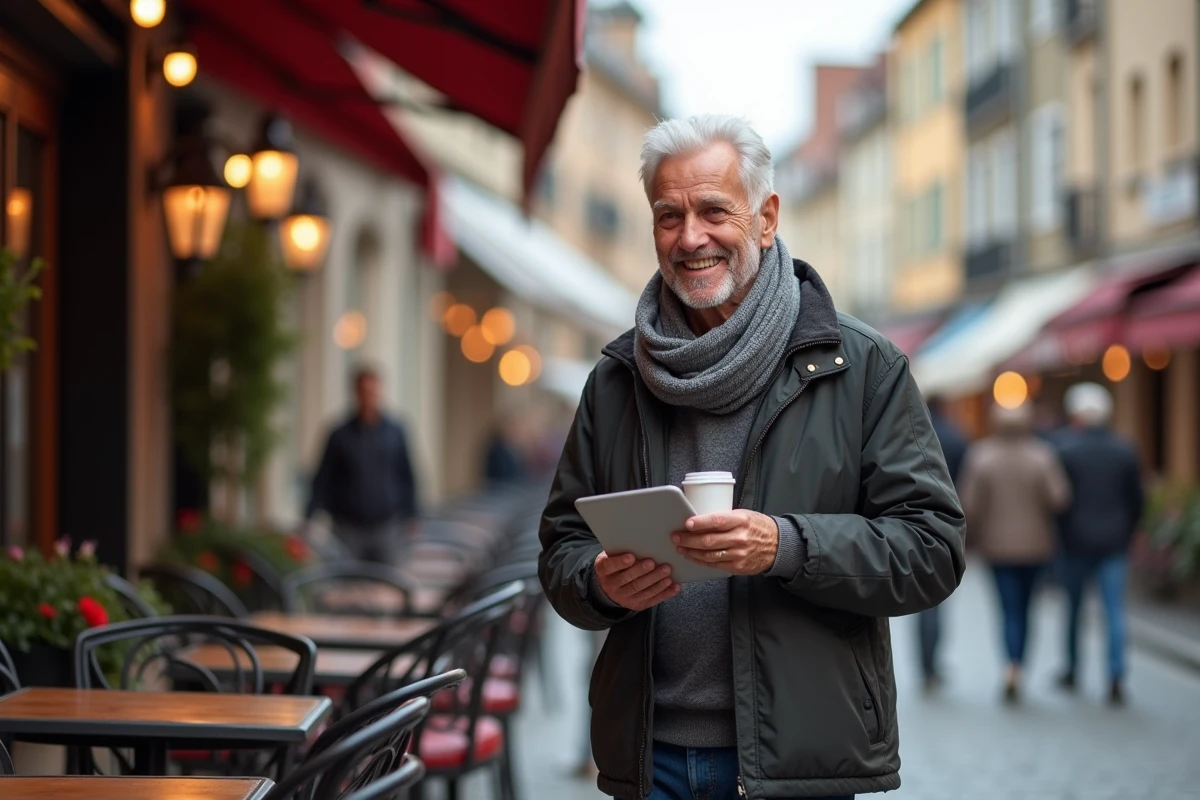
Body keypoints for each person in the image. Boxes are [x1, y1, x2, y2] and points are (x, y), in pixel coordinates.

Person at [538, 115, 965, 800]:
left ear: (766, 218)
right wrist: (599, 583)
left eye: (713, 210)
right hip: (649, 760)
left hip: (796, 763)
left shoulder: (862, 368)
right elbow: (561, 546)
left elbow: (933, 549)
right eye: (668, 215)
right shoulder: (616, 379)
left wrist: (787, 545)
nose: (690, 237)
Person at [957, 402, 1070, 703]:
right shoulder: (1042, 455)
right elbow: (1059, 498)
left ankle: (1011, 667)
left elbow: (969, 505)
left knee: (1008, 610)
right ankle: (1019, 665)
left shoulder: (982, 456)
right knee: (1027, 609)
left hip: (997, 548)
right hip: (1036, 547)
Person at [1054, 382, 1143, 705]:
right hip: (1114, 542)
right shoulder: (1125, 450)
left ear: (1077, 416)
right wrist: (1128, 530)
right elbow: (1137, 501)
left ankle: (1073, 669)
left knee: (1074, 609)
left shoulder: (1066, 451)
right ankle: (1116, 674)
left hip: (1075, 542)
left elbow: (1059, 501)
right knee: (1114, 610)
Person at [306, 366, 419, 563]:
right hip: (348, 528)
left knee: (388, 585)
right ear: (356, 393)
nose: (368, 397)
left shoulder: (396, 432)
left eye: (372, 391)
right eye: (364, 391)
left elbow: (407, 474)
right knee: (347, 586)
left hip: (387, 527)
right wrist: (311, 514)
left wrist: (413, 515)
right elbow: (324, 477)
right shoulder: (339, 434)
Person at [916, 396, 969, 693]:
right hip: (949, 525)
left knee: (924, 603)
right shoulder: (957, 438)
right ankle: (933, 662)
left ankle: (926, 664)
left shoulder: (914, 433)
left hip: (916, 522)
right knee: (940, 596)